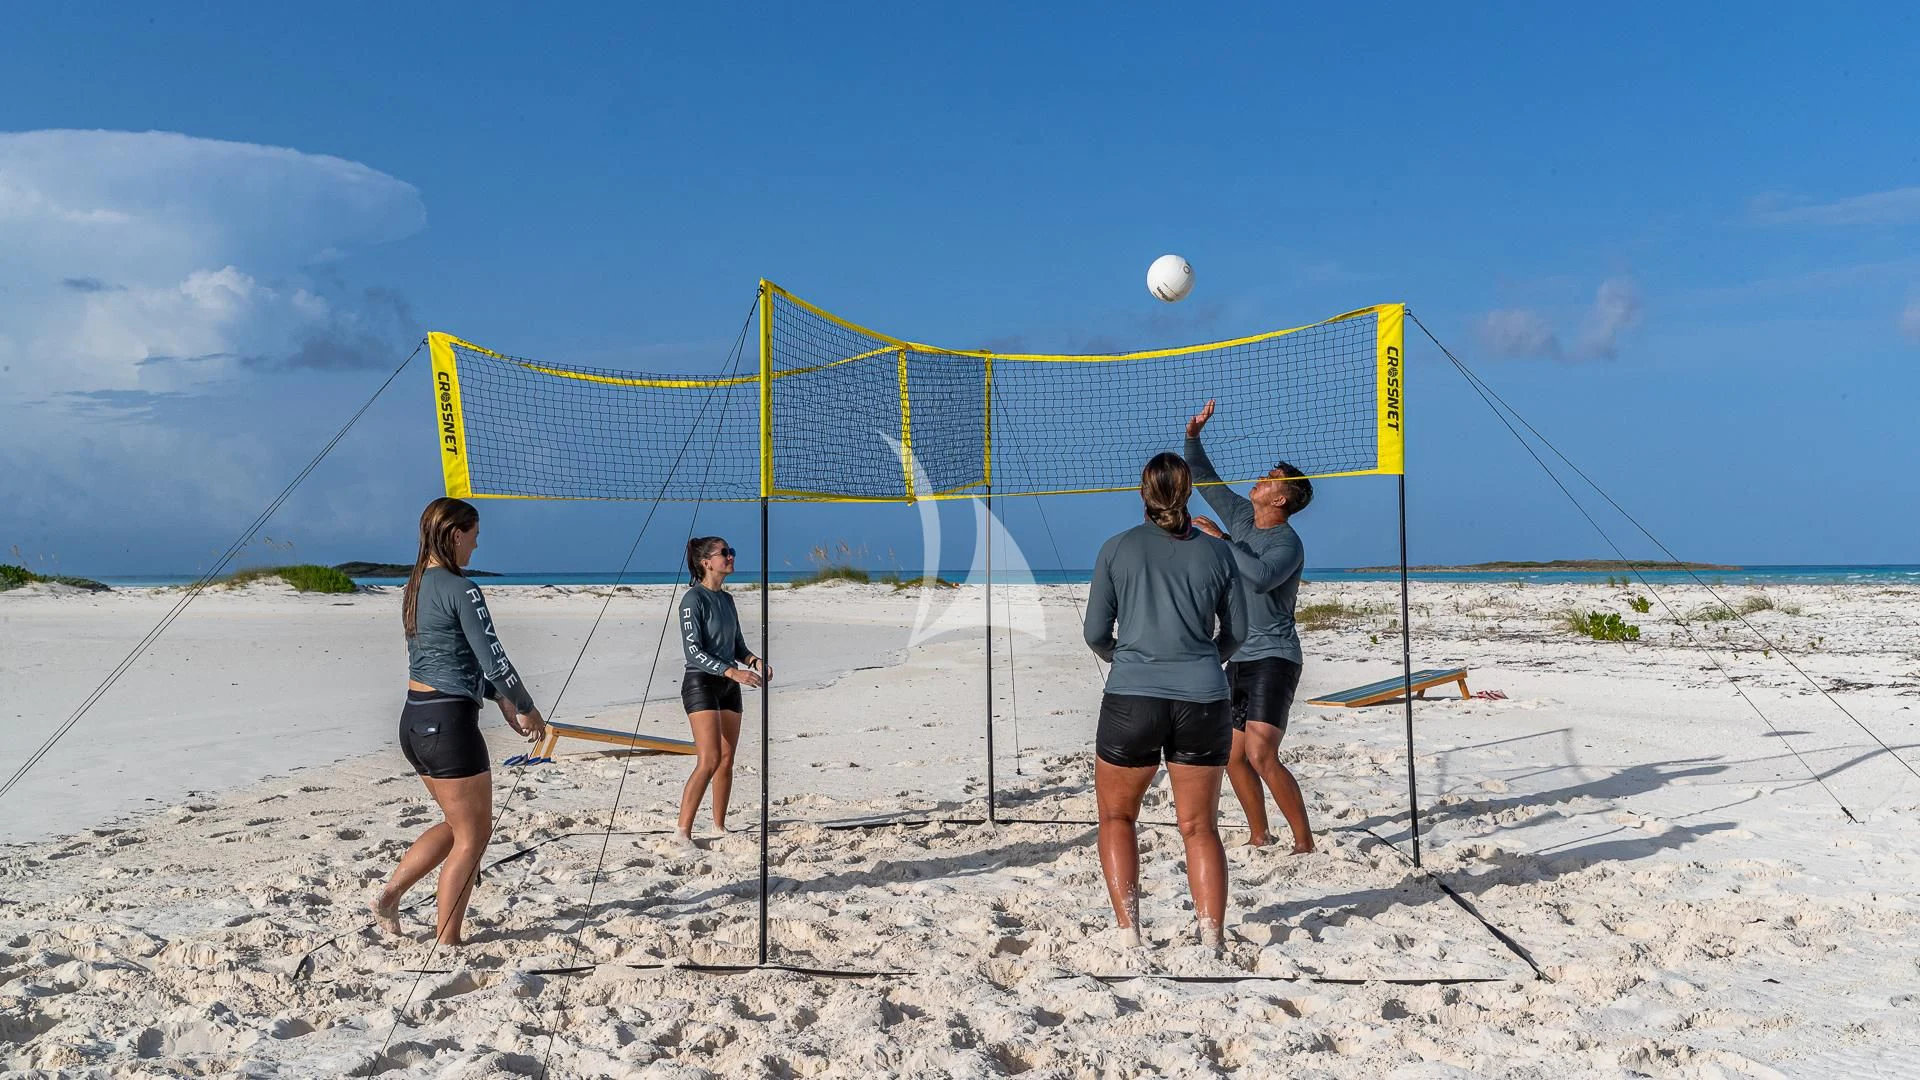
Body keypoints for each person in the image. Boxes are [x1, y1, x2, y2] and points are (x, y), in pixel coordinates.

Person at [1084, 453, 1246, 952]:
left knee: (1116, 818)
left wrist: (1128, 658)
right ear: (1189, 491)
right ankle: (1212, 937)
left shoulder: (1116, 549)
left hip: (1133, 696)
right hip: (1203, 699)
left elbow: (1095, 633)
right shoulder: (1219, 555)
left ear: (1143, 493)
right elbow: (1237, 633)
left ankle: (1130, 933)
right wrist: (1200, 660)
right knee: (1200, 827)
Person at [373, 497, 546, 945]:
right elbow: (493, 657)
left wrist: (499, 700)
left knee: (458, 826)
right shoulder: (462, 587)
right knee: (474, 837)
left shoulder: (414, 586)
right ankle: (448, 942)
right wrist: (524, 705)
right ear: (454, 535)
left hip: (414, 721)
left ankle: (391, 895)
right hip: (449, 726)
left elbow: (453, 658)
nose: (475, 548)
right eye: (473, 538)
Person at [1184, 399, 1316, 853]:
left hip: (1275, 656)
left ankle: (1304, 841)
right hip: (1236, 653)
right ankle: (1260, 834)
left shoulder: (1287, 542)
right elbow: (1203, 477)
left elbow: (1260, 577)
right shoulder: (1241, 514)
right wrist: (1194, 435)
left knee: (1261, 754)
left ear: (1280, 499)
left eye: (1271, 480)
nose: (1261, 479)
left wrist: (1220, 541)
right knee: (1233, 757)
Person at [676, 536, 768, 848]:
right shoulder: (693, 600)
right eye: (724, 553)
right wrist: (731, 671)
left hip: (730, 683)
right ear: (706, 563)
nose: (730, 557)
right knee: (710, 759)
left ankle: (718, 826)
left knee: (727, 759)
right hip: (701, 682)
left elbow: (737, 646)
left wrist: (754, 662)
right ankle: (682, 833)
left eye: (732, 551)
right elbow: (693, 651)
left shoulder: (727, 600)